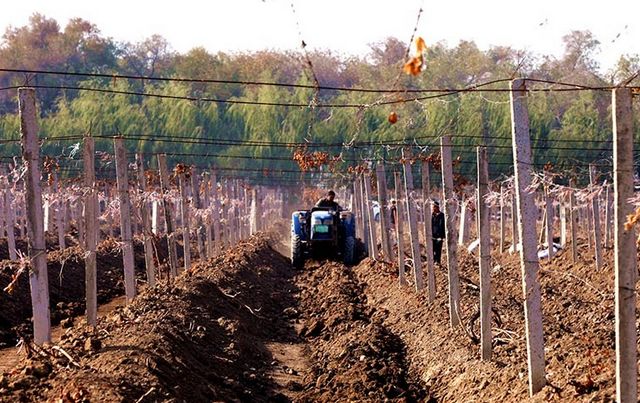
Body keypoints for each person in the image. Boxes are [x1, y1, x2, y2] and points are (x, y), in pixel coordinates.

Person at [432, 200, 445, 265]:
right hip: (433, 236)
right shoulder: (432, 216)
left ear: (437, 207)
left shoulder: (442, 215)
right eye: (433, 207)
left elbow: (443, 226)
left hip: (439, 236)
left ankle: (438, 262)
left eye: (434, 207)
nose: (433, 208)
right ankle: (434, 261)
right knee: (433, 250)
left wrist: (442, 237)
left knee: (438, 250)